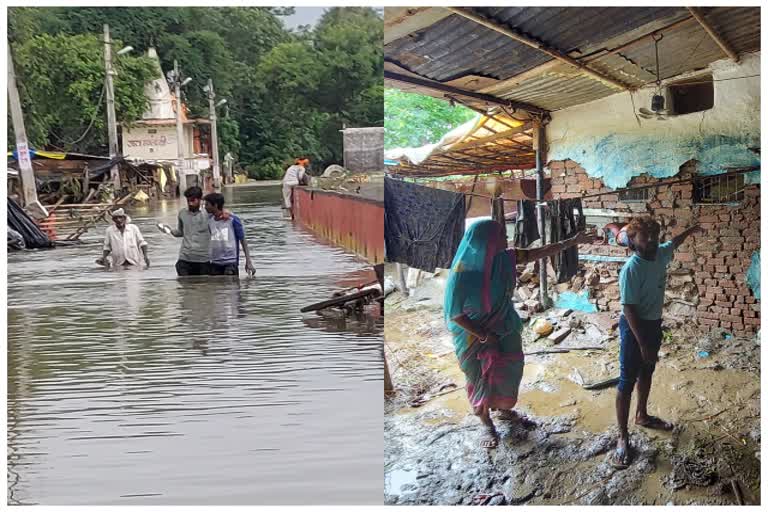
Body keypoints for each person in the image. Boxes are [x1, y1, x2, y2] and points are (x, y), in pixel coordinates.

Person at [444, 219, 593, 448]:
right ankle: (485, 423)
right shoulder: (462, 274)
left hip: (504, 326)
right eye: (501, 235)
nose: (506, 239)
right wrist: (483, 334)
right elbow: (455, 314)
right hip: (472, 336)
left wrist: (573, 241)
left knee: (510, 368)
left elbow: (541, 252)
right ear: (486, 242)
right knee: (479, 377)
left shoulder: (505, 259)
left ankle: (503, 409)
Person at [612, 218, 702, 469]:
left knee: (648, 370)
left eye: (654, 235)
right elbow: (628, 308)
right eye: (645, 237)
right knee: (626, 380)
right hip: (634, 328)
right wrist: (642, 343)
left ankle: (641, 415)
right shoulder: (632, 268)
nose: (651, 240)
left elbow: (674, 242)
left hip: (653, 324)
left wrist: (691, 229)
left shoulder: (660, 253)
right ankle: (622, 437)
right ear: (633, 241)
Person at [160, 186, 211, 276]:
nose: (190, 203)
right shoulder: (182, 213)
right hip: (185, 258)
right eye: (188, 201)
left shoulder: (208, 214)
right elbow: (181, 232)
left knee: (204, 287)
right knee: (185, 287)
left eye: (193, 200)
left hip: (203, 259)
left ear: (200, 200)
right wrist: (169, 230)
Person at [202, 192, 255, 277]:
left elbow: (243, 240)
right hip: (215, 262)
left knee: (231, 288)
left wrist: (248, 262)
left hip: (230, 262)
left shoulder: (233, 220)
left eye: (207, 204)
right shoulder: (209, 220)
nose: (205, 207)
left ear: (215, 205)